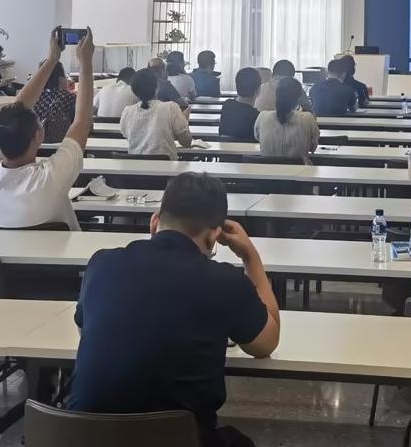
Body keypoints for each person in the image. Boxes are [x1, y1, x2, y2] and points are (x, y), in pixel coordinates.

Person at [69, 173, 279, 447]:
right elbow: (267, 343)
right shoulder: (225, 282)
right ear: (214, 237)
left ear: (155, 221)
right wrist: (250, 256)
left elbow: (85, 328)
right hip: (179, 439)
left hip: (82, 437)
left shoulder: (101, 264)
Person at [0, 27, 94, 231]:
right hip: (59, 251)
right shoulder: (50, 178)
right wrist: (85, 63)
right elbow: (82, 122)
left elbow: (18, 107)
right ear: (38, 135)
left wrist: (51, 59)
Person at [120, 69, 193, 160]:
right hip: (166, 166)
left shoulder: (127, 112)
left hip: (135, 165)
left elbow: (128, 137)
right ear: (157, 87)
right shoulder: (171, 107)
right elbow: (186, 142)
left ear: (133, 91)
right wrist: (184, 121)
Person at [254, 78, 319, 161]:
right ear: (298, 98)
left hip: (267, 168)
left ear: (276, 96)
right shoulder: (308, 118)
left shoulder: (262, 117)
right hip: (299, 168)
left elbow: (258, 138)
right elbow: (313, 148)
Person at [33, 62, 77, 144]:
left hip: (36, 146)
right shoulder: (70, 98)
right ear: (61, 78)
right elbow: (80, 124)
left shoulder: (34, 98)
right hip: (63, 146)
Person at [219, 67, 261, 142]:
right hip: (248, 150)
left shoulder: (227, 105)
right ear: (258, 90)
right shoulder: (257, 116)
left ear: (237, 86)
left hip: (224, 149)